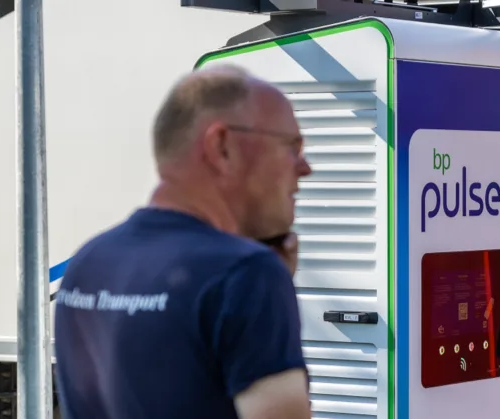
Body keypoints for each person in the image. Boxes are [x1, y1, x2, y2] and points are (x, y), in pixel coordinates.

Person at [53, 64, 313, 419]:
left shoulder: (88, 263)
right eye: (292, 146)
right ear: (222, 147)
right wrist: (268, 292)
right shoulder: (246, 274)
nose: (304, 167)